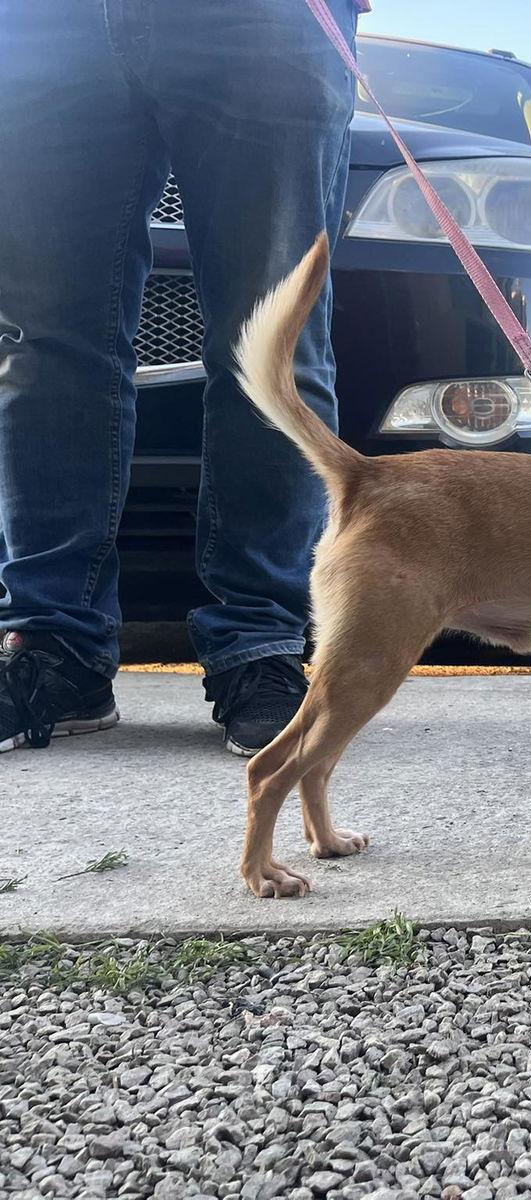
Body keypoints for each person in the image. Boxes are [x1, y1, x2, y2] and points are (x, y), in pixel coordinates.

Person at [0, 0, 365, 756]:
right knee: (43, 344)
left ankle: (262, 641)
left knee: (275, 341)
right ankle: (51, 647)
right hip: (39, 18)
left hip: (264, 14)